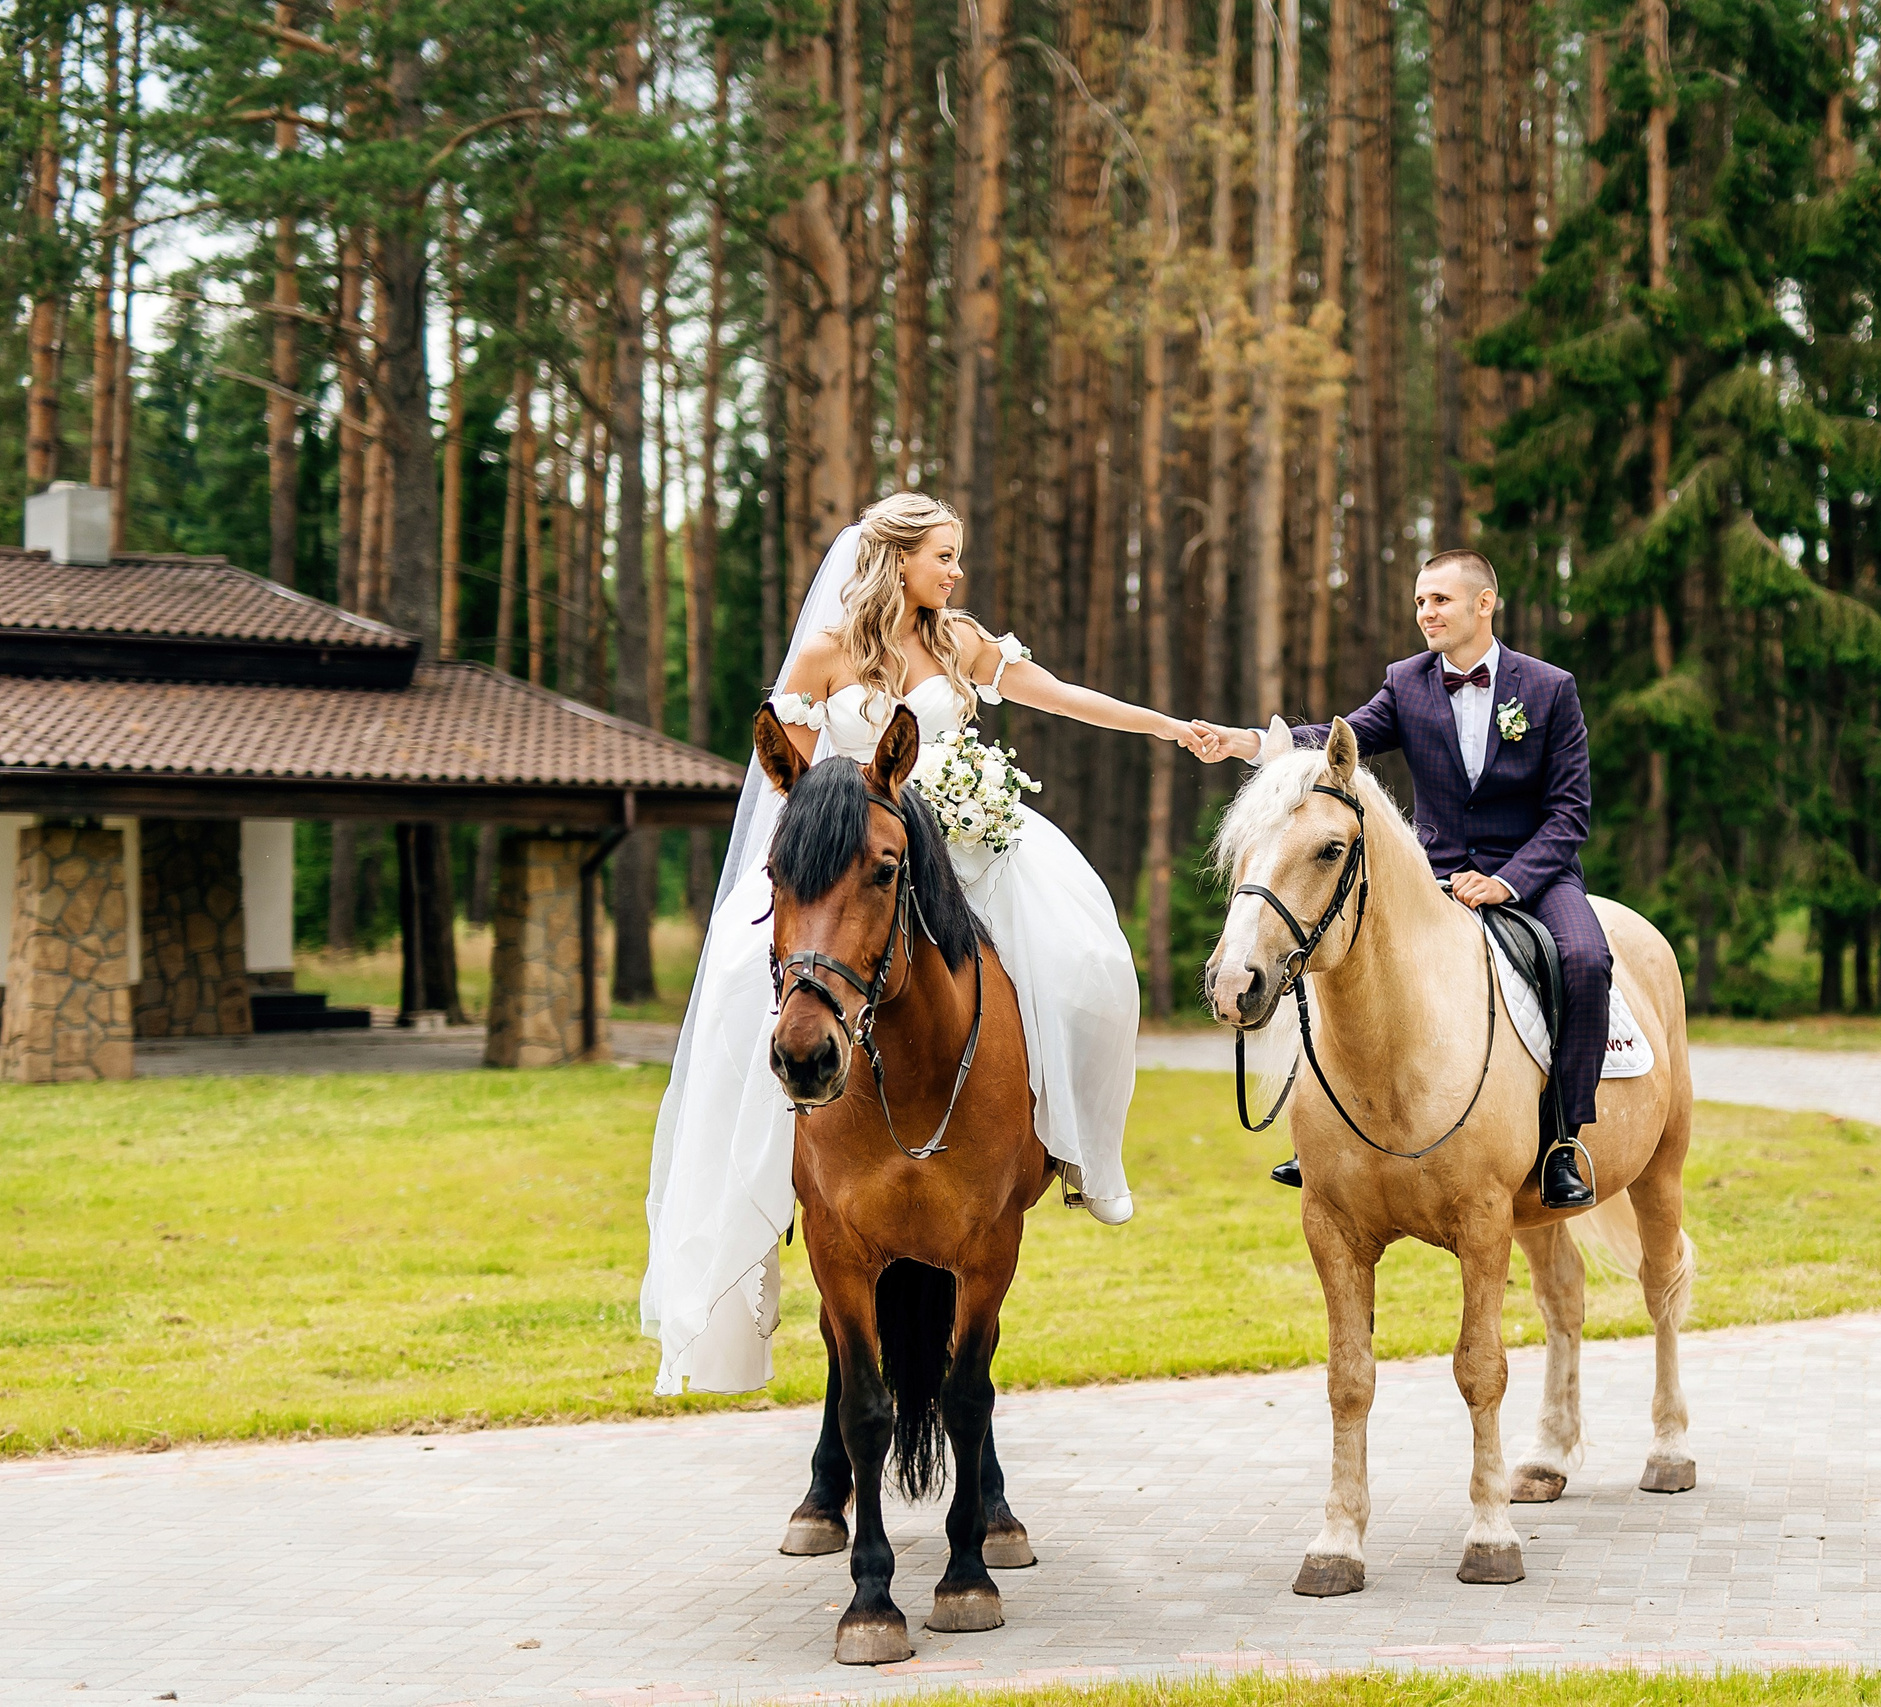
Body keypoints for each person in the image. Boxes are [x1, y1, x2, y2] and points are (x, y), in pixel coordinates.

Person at [641, 491, 1215, 1396]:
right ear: (896, 558)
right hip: (860, 866)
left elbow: (1057, 696)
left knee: (1087, 963)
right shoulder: (828, 652)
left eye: (956, 557)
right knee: (748, 1003)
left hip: (968, 855)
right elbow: (788, 774)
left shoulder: (959, 642)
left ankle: (1078, 1149)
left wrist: (1166, 725)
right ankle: (774, 1166)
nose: (955, 572)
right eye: (942, 556)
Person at [1193, 548, 1607, 1211]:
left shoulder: (1549, 688)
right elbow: (1335, 740)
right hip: (1433, 875)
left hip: (1534, 871)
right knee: (1336, 953)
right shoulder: (1407, 682)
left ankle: (1563, 1139)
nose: (1425, 612)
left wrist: (1506, 880)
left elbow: (1569, 814)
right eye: (1419, 601)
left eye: (1438, 599)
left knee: (1586, 960)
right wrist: (1251, 743)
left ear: (1483, 603)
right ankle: (1318, 1135)